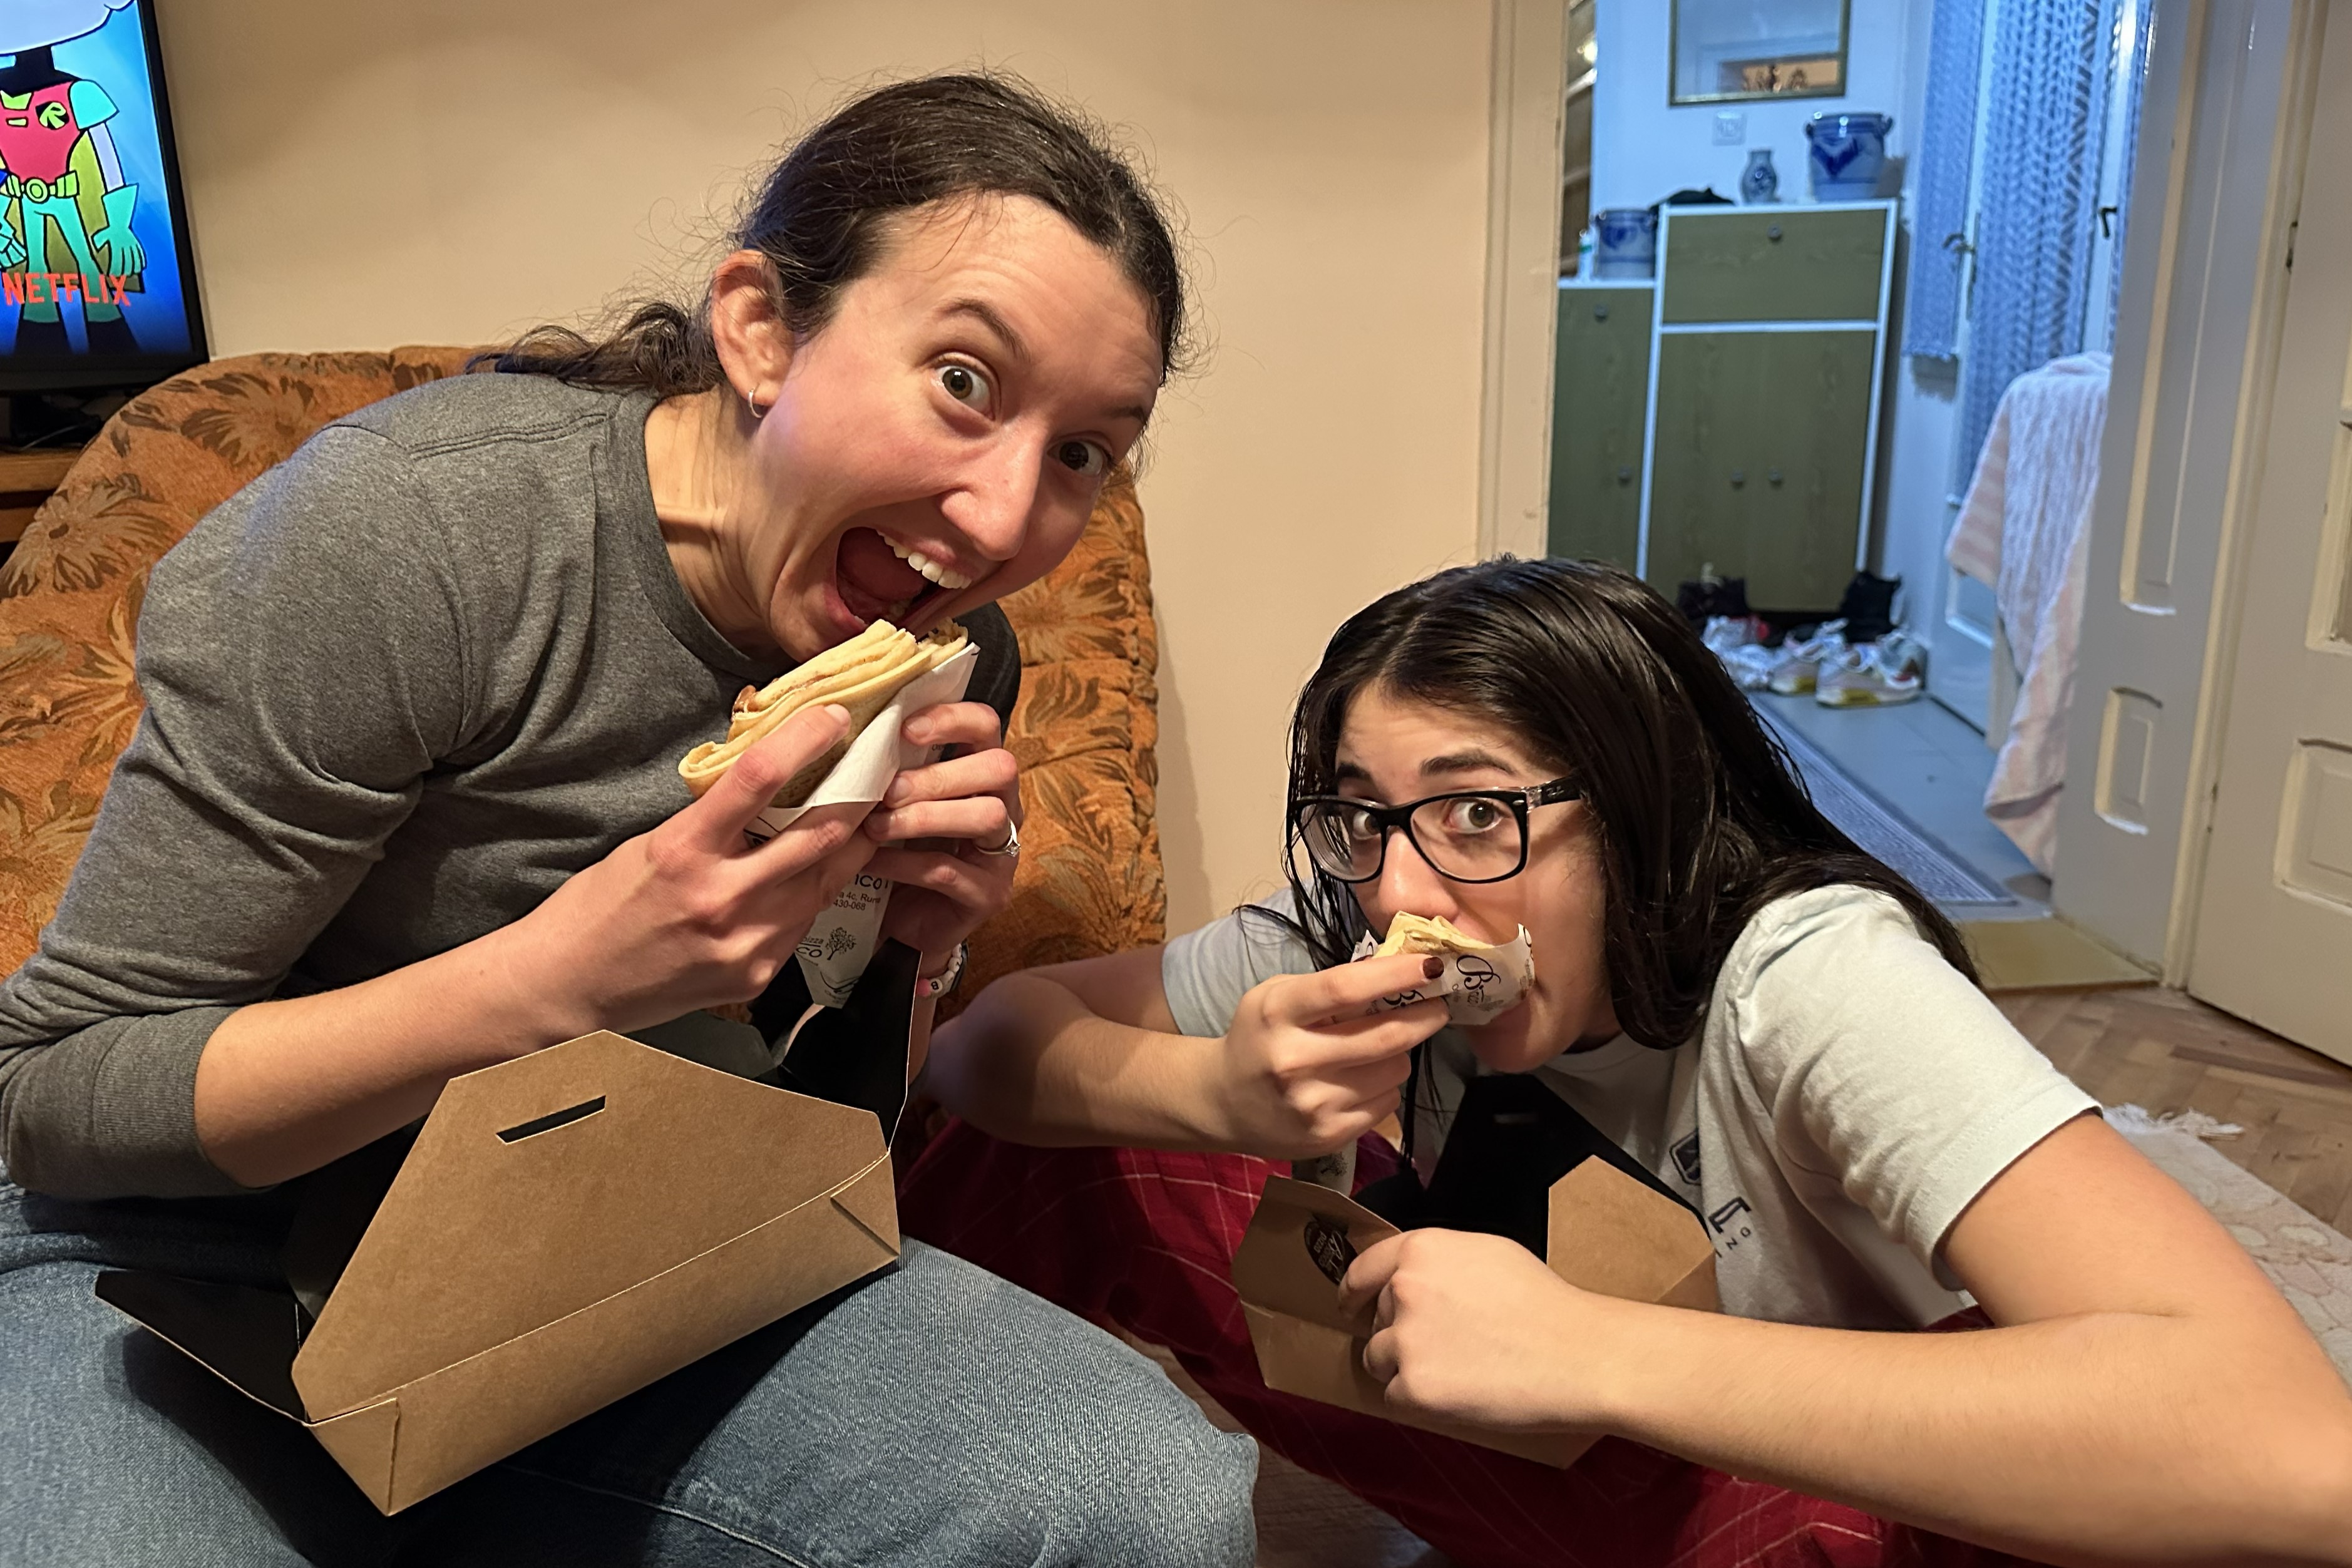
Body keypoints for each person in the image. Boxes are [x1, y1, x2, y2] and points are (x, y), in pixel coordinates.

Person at [0, 74, 1259, 1567]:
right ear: (760, 327)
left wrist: (915, 948)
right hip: (183, 1251)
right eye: (966, 381)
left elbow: (813, 1128)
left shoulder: (952, 655)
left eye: (1083, 452)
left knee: (1146, 1499)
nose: (1003, 521)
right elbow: (51, 1093)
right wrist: (556, 980)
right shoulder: (416, 536)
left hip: (598, 1250)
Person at [906, 556, 2352, 1568]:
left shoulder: (1805, 974)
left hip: (1786, 1503)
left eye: (1478, 813)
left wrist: (1590, 1351)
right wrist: (1207, 1093)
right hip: (1508, 1458)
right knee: (1066, 1142)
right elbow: (984, 1050)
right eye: (1362, 814)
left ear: (1641, 816)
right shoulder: (1345, 924)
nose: (1404, 888)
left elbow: (2292, 1451)